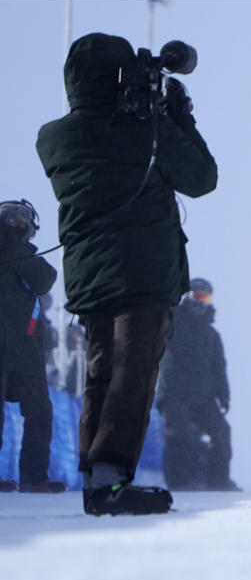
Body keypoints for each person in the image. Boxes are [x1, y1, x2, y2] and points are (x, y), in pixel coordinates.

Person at [36, 33, 218, 515]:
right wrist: (175, 116)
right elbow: (201, 178)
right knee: (132, 373)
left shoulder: (54, 138)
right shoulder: (144, 131)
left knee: (101, 372)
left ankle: (97, 483)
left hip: (90, 275)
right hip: (140, 269)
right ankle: (112, 480)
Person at [0, 200, 65, 493]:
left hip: (25, 351)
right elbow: (43, 278)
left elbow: (44, 280)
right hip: (15, 351)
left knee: (40, 412)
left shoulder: (21, 256)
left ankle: (34, 477)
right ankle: (33, 477)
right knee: (37, 413)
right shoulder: (21, 255)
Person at [156, 278, 239, 491]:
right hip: (176, 395)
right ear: (187, 297)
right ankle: (180, 480)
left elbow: (219, 367)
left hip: (204, 397)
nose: (200, 301)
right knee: (180, 435)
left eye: (205, 297)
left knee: (221, 432)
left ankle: (218, 480)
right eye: (196, 296)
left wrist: (224, 395)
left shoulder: (211, 335)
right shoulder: (172, 324)